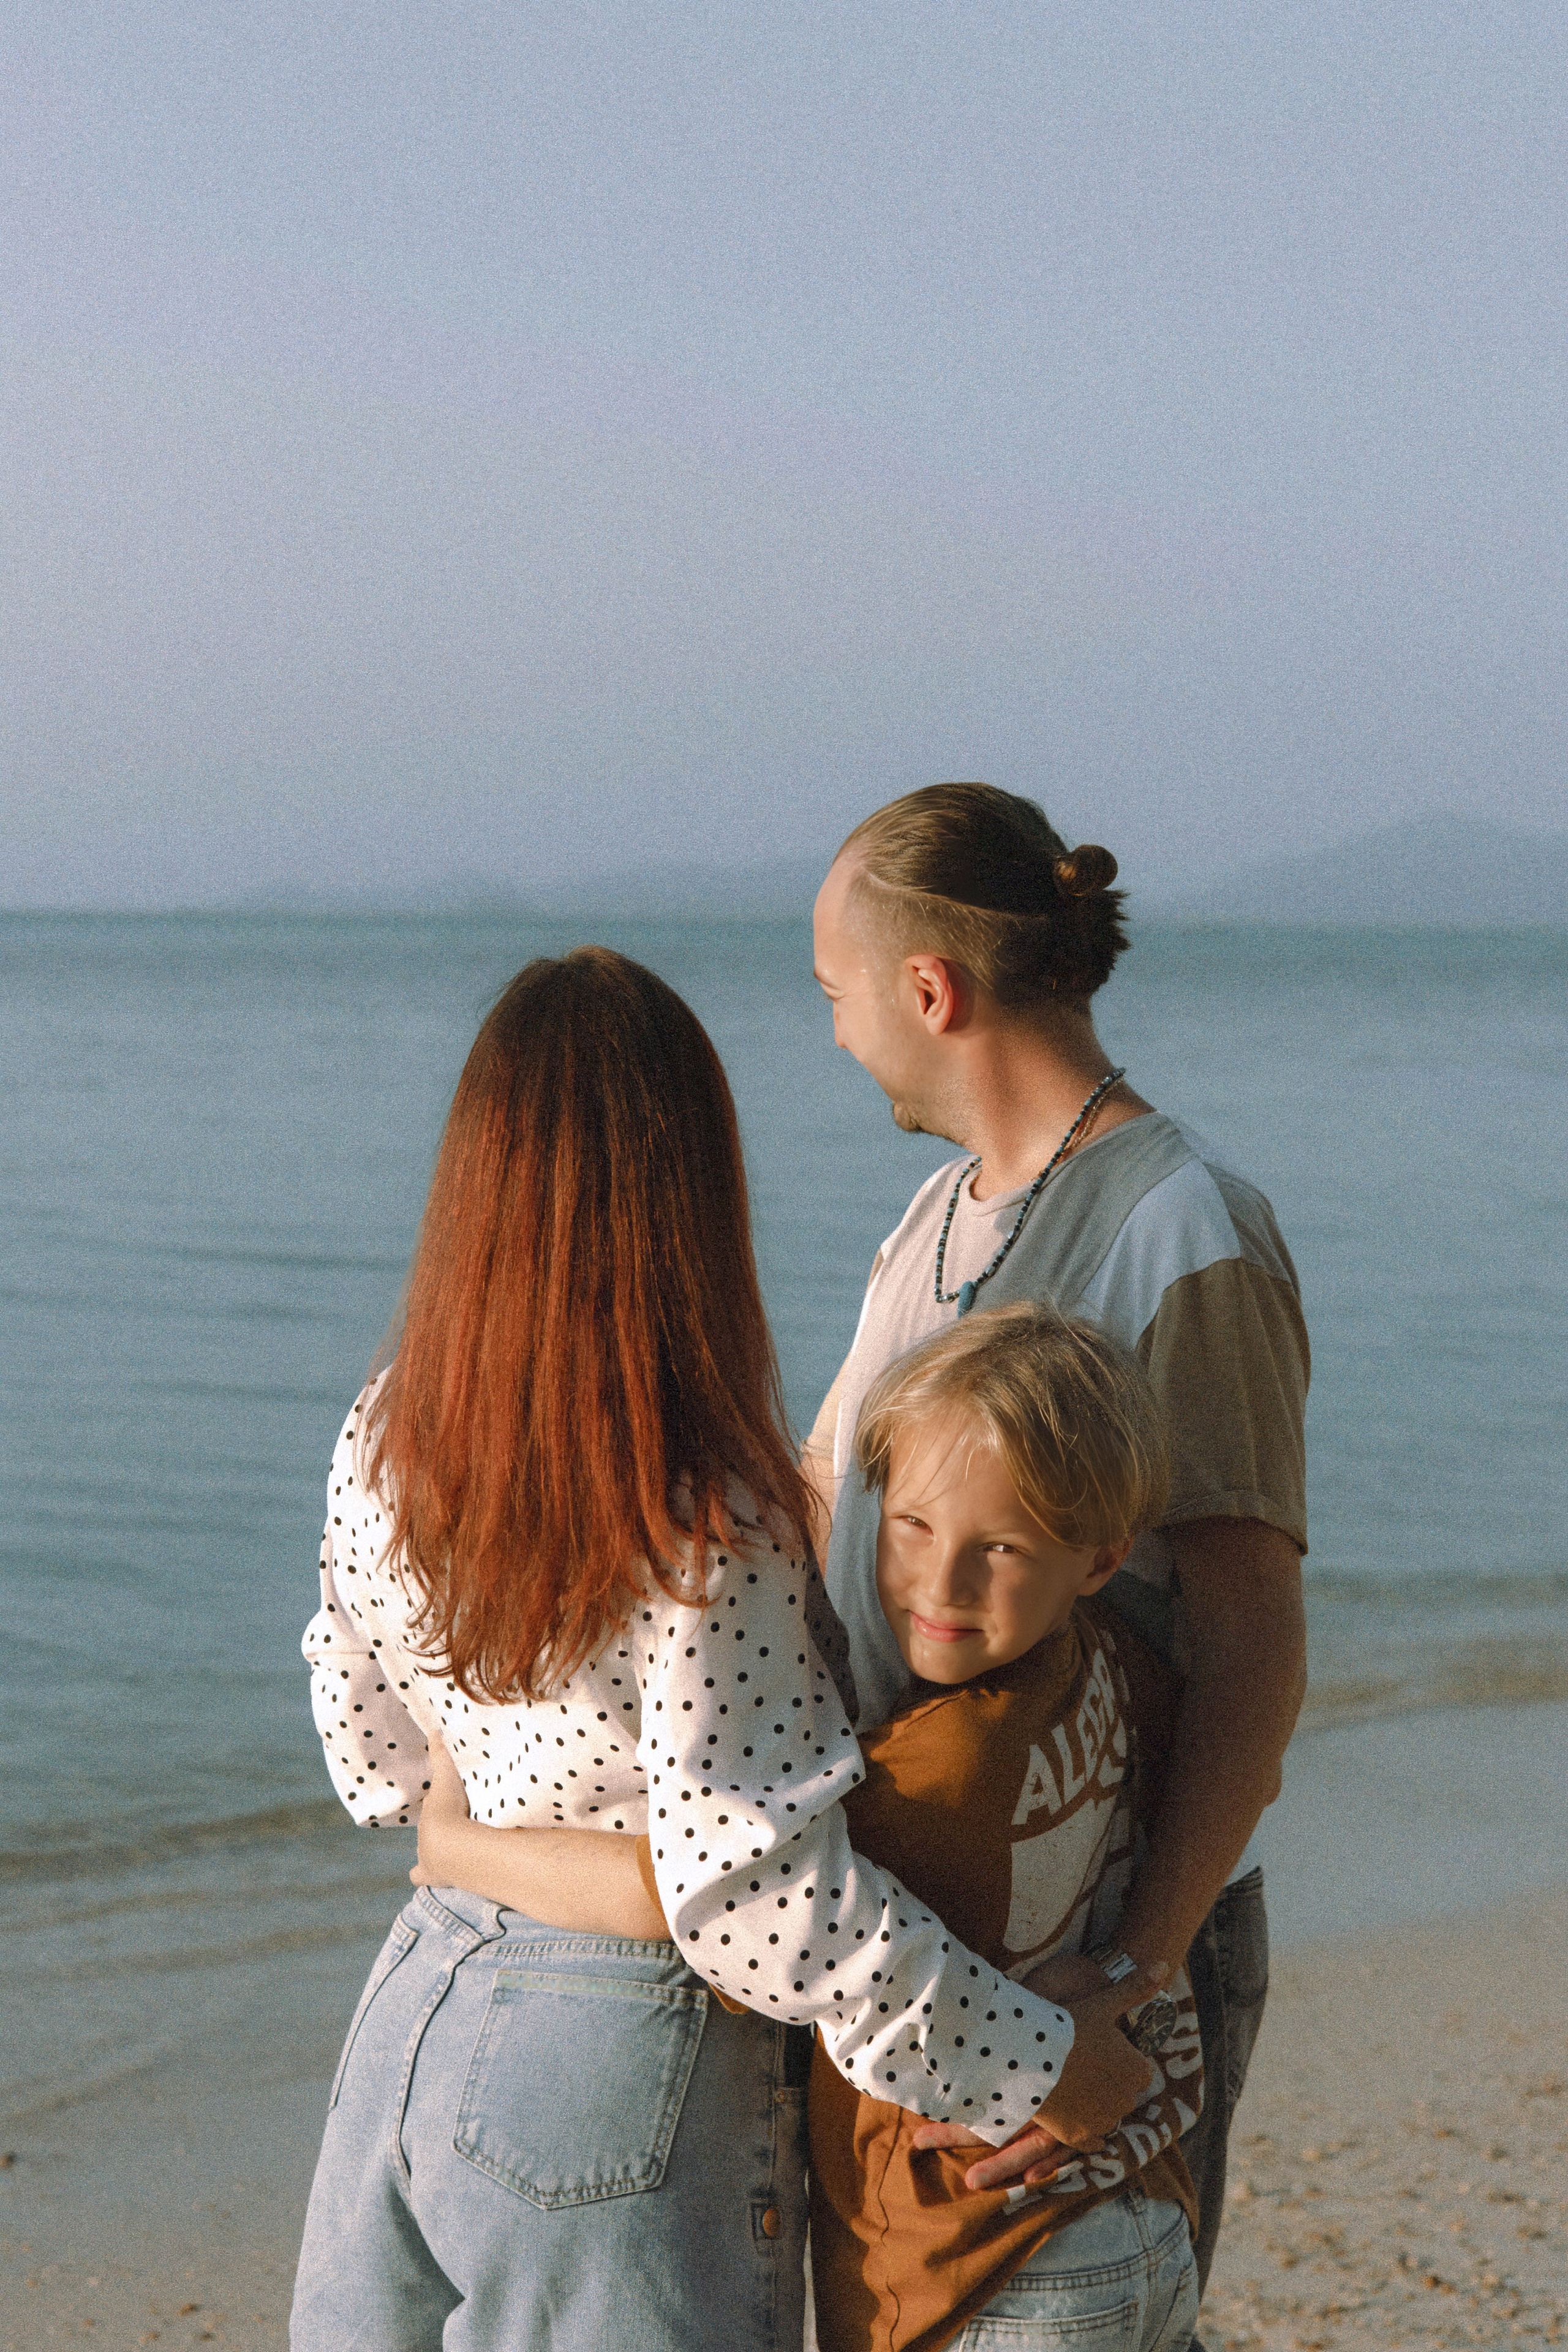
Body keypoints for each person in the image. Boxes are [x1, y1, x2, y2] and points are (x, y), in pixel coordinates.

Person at [292, 946, 1164, 2352]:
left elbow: (367, 1739)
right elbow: (750, 1896)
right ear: (687, 1191)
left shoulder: (389, 1427)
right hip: (610, 2071)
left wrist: (472, 1836)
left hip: (413, 2013)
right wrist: (1037, 2063)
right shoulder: (699, 1507)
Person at [804, 783, 1309, 2321]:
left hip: (1093, 1953)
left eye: (835, 995)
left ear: (928, 990)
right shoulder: (934, 1219)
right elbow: (820, 1495)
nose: (832, 1033)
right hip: (938, 1951)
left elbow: (1249, 1634)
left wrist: (1135, 1973)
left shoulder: (1181, 1225)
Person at [809, 1303, 1204, 2352]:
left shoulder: (923, 1774)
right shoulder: (1118, 1665)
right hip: (1142, 2221)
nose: (942, 1584)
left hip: (985, 2268)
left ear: (1098, 1559)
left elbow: (759, 1932)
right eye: (914, 1527)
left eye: (1001, 1547)